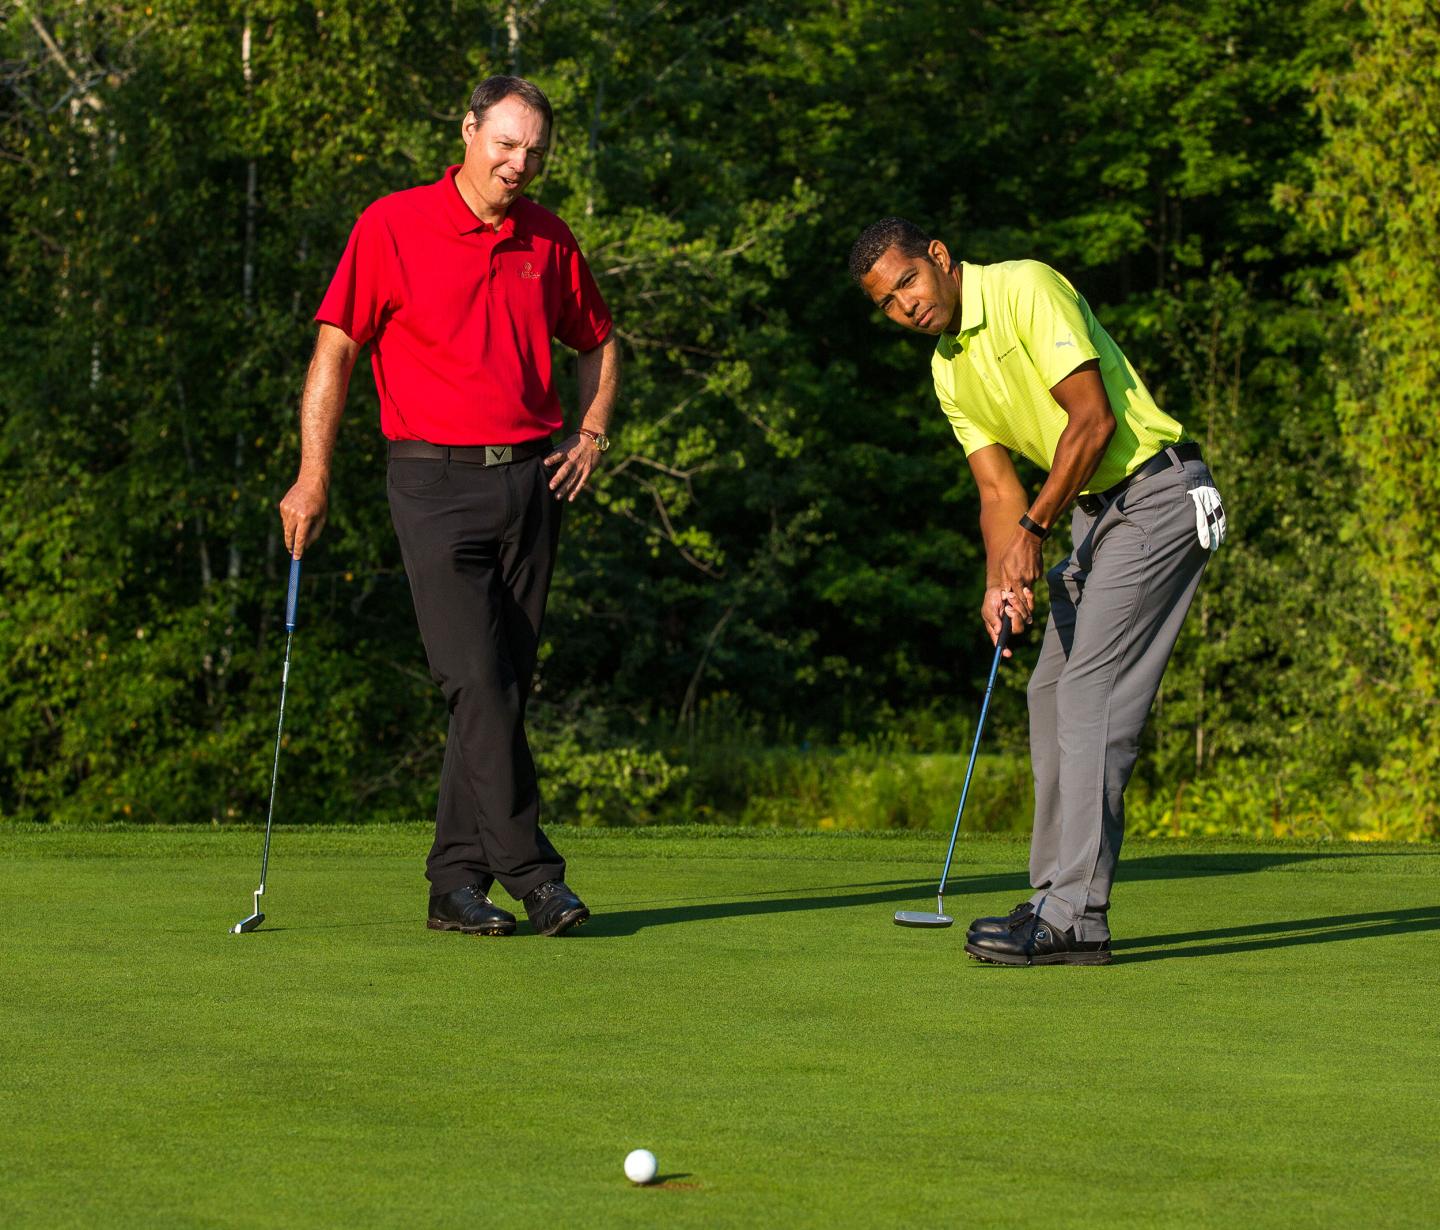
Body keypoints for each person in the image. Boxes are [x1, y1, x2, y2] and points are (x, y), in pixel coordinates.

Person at [278, 76, 620, 938]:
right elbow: (336, 350)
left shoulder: (547, 235)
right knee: (476, 679)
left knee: (500, 690)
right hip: (432, 483)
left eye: (536, 150)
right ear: (468, 131)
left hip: (533, 481)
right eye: (505, 143)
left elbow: (599, 341)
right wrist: (312, 473)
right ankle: (535, 876)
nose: (520, 163)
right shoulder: (391, 224)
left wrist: (592, 434)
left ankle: (454, 885)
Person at [849, 217, 1226, 966]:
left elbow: (1092, 421)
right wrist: (1000, 579)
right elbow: (995, 490)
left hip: (1156, 493)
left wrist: (1034, 529)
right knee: (1049, 691)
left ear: (940, 259)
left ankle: (1075, 916)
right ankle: (1054, 897)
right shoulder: (947, 368)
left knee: (1091, 695)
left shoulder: (1025, 286)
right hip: (1091, 515)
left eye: (909, 284)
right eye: (888, 304)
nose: (906, 308)